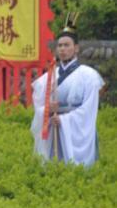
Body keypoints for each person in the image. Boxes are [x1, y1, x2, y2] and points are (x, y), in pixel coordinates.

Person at [31, 23, 105, 167]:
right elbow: (38, 103)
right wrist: (47, 109)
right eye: (60, 46)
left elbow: (89, 108)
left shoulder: (88, 75)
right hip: (54, 129)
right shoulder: (49, 76)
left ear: (76, 48)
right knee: (54, 169)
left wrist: (65, 120)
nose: (62, 49)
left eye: (67, 45)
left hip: (76, 129)